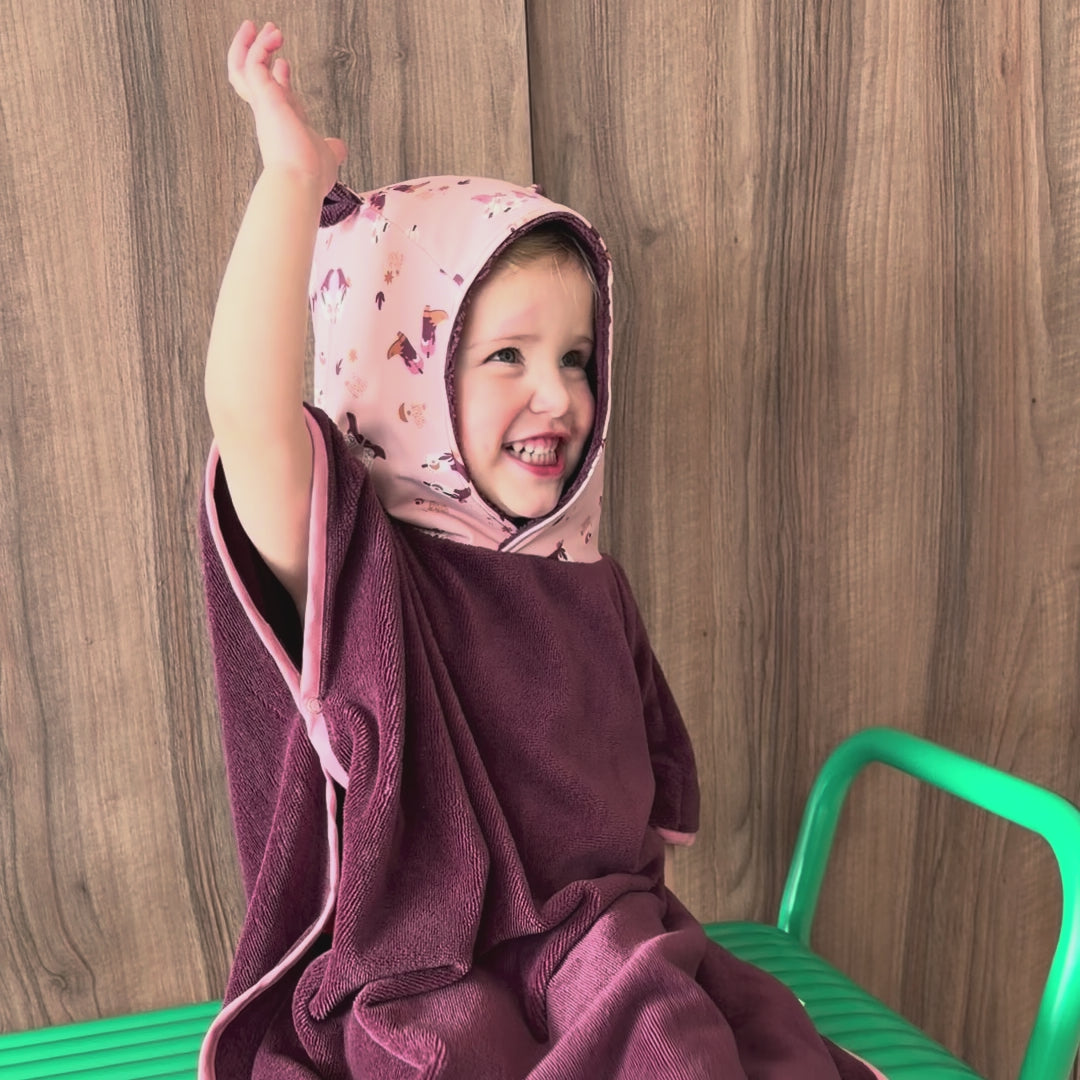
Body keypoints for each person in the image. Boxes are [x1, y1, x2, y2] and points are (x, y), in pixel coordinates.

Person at [198, 19, 886, 1080]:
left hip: (610, 944)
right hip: (433, 977)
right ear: (405, 373)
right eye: (506, 356)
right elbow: (246, 416)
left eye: (576, 357)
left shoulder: (585, 574)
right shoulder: (358, 566)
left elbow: (637, 778)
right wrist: (290, 181)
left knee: (684, 1037)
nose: (558, 397)